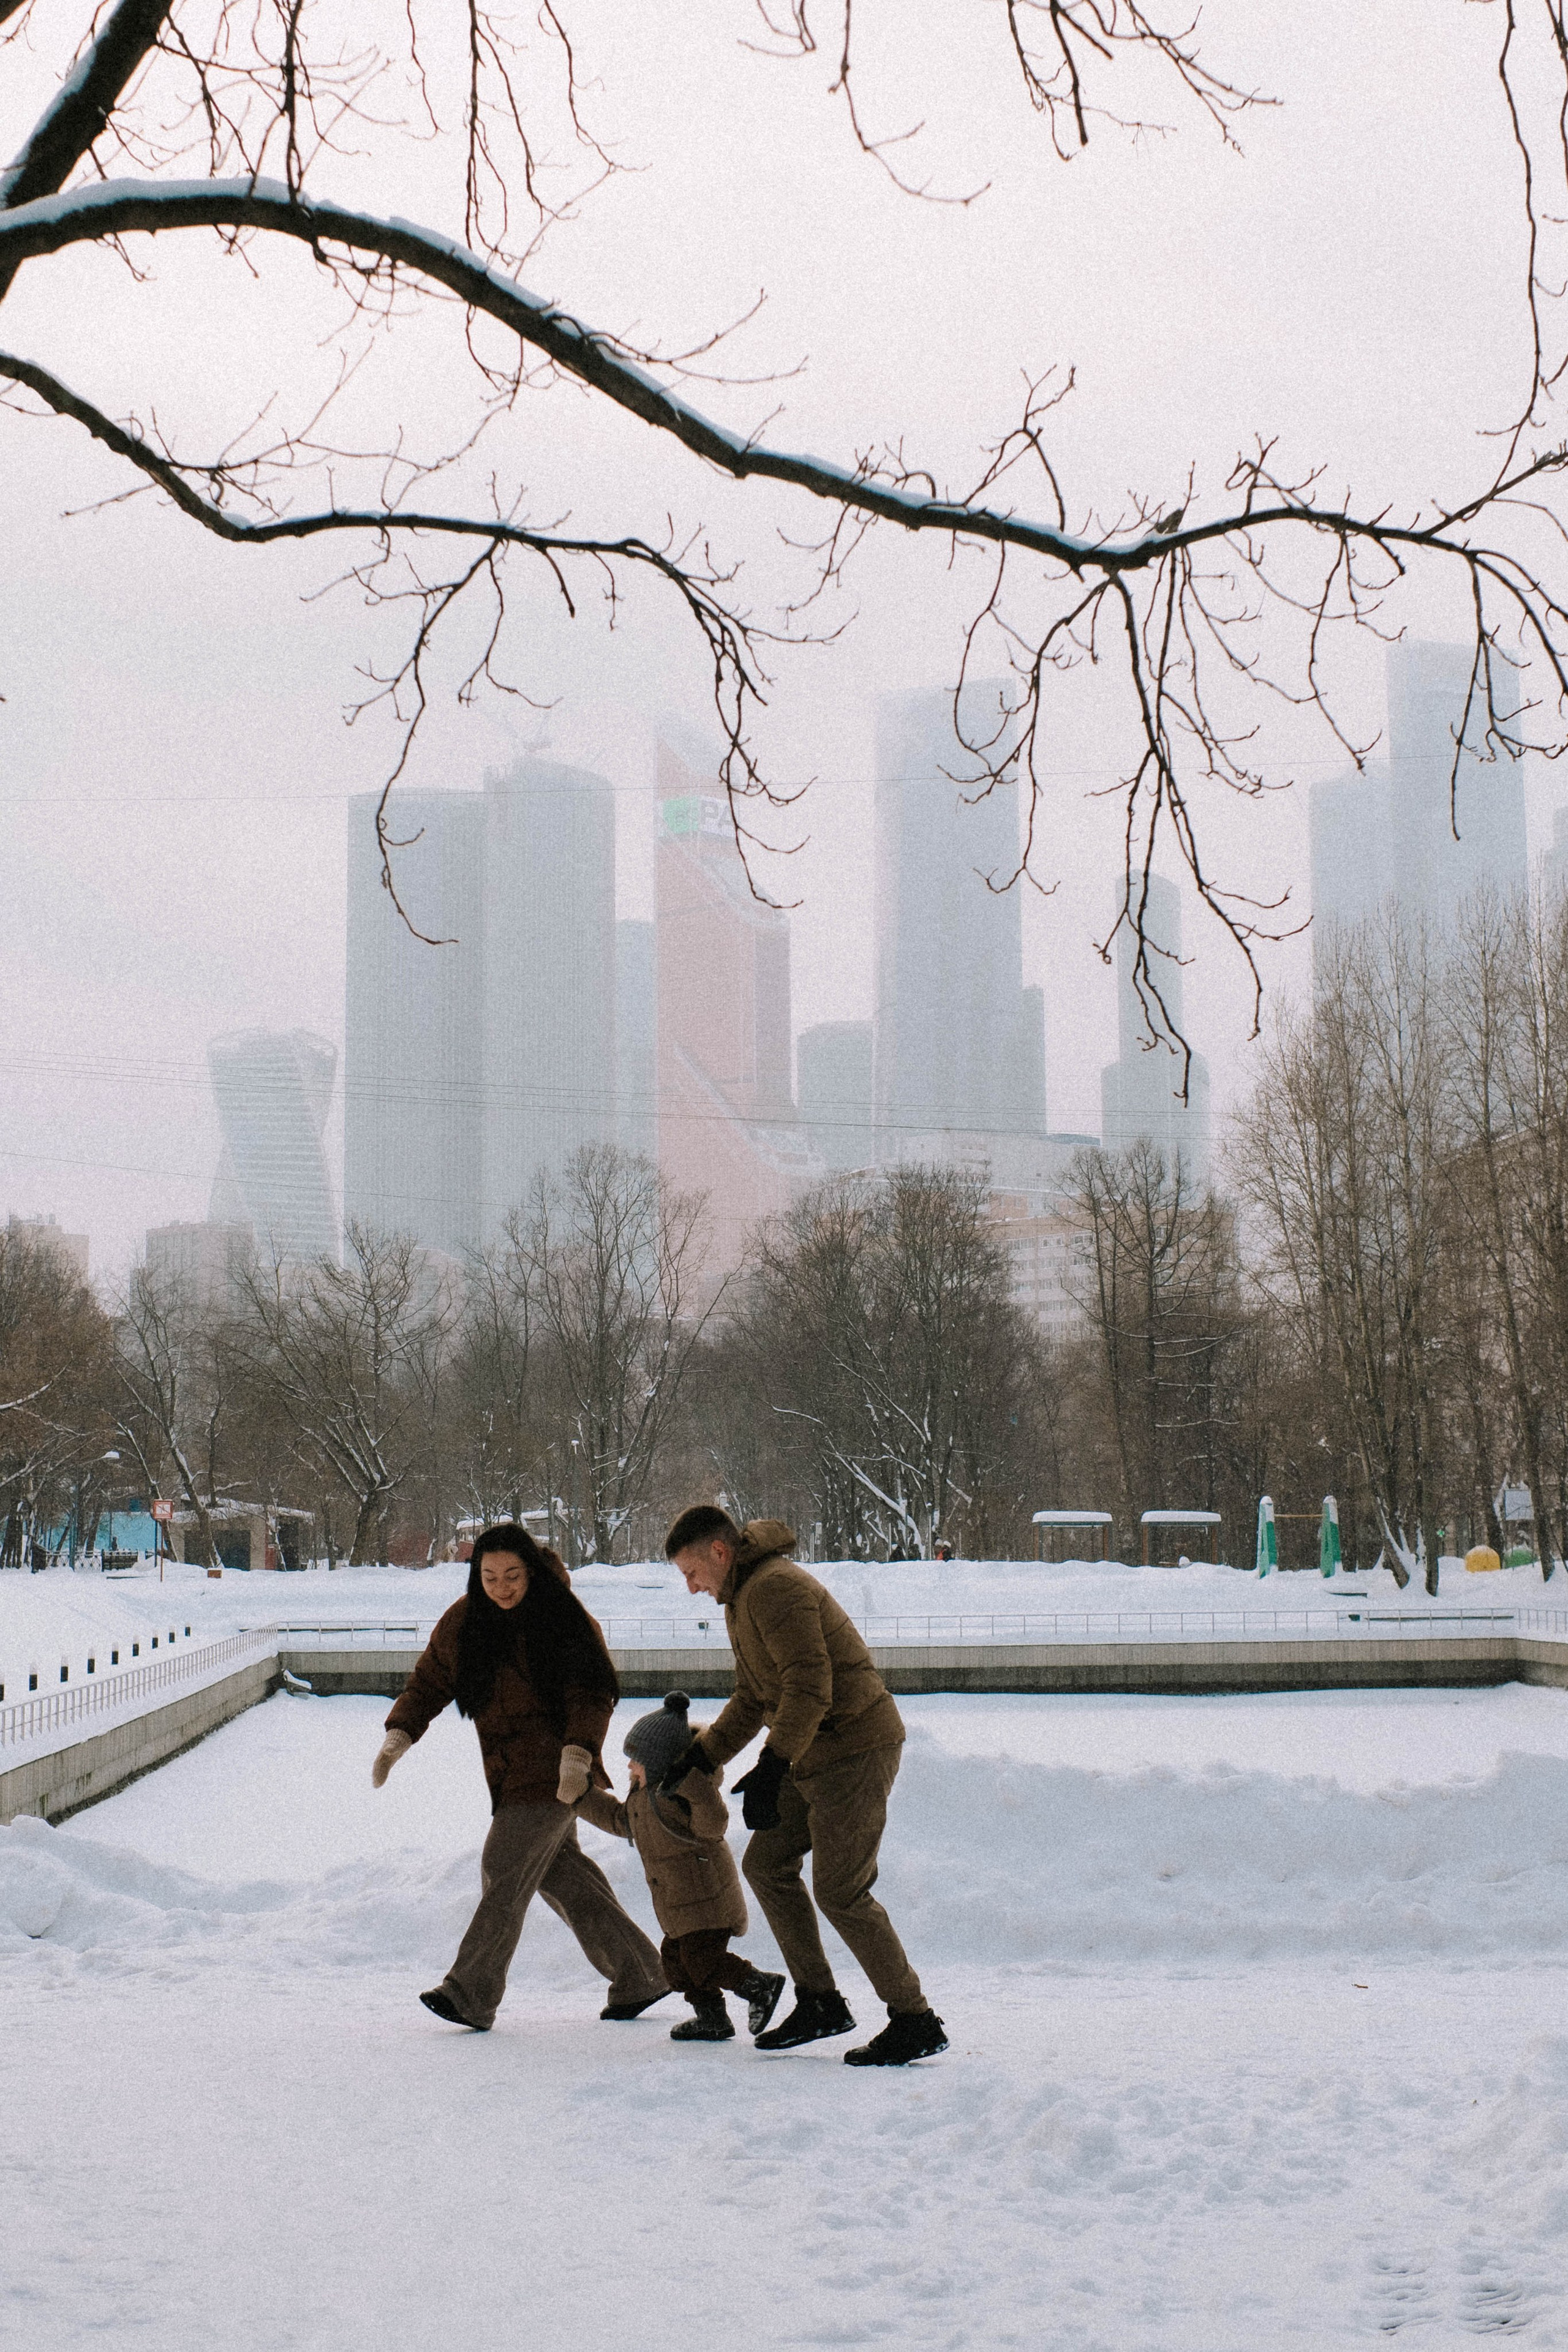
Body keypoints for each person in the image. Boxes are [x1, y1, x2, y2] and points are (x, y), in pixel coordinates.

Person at [662, 1506, 947, 2068]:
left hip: (856, 1746)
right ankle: (820, 2001)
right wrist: (701, 1757)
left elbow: (810, 1686)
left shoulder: (773, 1589)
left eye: (691, 1573)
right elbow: (753, 1696)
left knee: (842, 1890)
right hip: (815, 1749)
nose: (692, 1588)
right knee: (767, 1863)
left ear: (719, 1553)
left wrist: (772, 1766)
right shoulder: (741, 1598)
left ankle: (915, 2018)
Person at [371, 1521, 668, 2032]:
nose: (502, 1587)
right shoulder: (466, 1621)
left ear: (530, 1571)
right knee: (564, 1877)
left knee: (504, 1865)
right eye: (489, 1577)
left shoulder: (562, 1619)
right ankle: (641, 1974)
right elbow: (430, 1680)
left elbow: (592, 1692)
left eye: (512, 1575)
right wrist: (400, 1734)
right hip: (509, 1773)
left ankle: (471, 1993)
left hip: (556, 1773)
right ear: (476, 1577)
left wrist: (578, 1756)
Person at [575, 1690, 786, 2043]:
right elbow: (618, 1819)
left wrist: (695, 1786)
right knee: (676, 1966)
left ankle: (760, 1985)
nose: (629, 1766)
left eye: (636, 1760)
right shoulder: (642, 1800)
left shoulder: (681, 1798)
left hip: (707, 1901)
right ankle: (712, 2018)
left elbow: (713, 1826)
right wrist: (582, 1797)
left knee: (702, 1960)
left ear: (657, 1763)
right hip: (677, 1907)